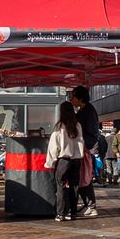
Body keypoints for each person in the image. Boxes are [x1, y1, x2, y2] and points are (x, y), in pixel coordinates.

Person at [46, 100, 85, 222]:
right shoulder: (78, 125)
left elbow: (53, 146)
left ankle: (61, 213)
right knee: (74, 186)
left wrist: (50, 162)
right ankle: (72, 212)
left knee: (61, 186)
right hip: (77, 160)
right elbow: (82, 142)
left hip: (64, 160)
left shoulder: (59, 126)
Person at [68, 87, 101, 217]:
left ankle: (91, 205)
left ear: (80, 98)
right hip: (82, 148)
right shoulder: (85, 110)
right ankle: (89, 205)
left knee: (83, 177)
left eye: (73, 97)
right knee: (82, 177)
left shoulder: (88, 111)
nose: (71, 99)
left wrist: (81, 144)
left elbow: (91, 133)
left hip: (83, 149)